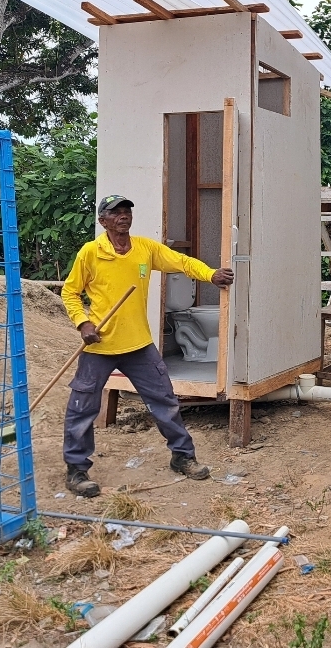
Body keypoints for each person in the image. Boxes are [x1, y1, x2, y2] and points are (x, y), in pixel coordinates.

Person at [60, 195, 235, 498]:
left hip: (138, 345)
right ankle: (76, 470)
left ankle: (183, 457)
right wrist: (83, 324)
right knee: (83, 407)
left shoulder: (145, 248)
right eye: (115, 212)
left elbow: (181, 262)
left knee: (165, 400)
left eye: (126, 211)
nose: (123, 216)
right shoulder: (91, 253)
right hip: (100, 347)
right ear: (103, 221)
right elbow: (70, 292)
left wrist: (210, 274)